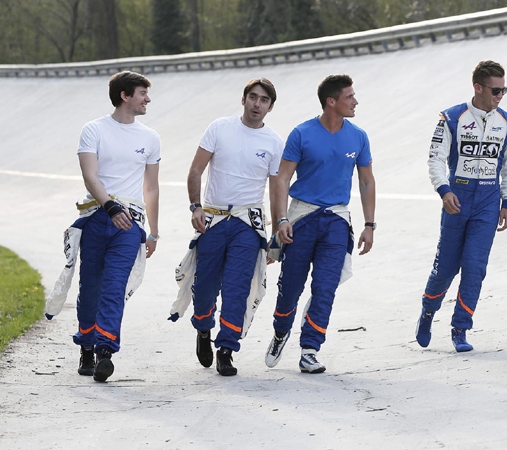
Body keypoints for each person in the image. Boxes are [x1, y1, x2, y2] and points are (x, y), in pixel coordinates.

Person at [44, 71, 161, 383]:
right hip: (97, 216)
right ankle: (86, 342)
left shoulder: (150, 137)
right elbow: (90, 175)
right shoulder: (94, 129)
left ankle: (105, 350)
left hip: (130, 224)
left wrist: (153, 230)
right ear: (125, 96)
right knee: (91, 285)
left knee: (114, 285)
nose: (147, 99)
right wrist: (110, 206)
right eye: (142, 93)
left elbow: (151, 188)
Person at [168, 78, 283, 377]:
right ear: (243, 99)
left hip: (247, 225)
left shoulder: (273, 142)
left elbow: (276, 190)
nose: (257, 104)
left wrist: (275, 234)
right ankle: (204, 329)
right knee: (205, 287)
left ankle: (227, 348)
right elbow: (195, 170)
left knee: (237, 288)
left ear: (271, 106)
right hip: (214, 220)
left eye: (264, 100)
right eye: (253, 98)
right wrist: (195, 206)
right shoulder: (219, 127)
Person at [264, 74, 376, 374]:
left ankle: (310, 349)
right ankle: (280, 331)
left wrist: (369, 224)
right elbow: (283, 179)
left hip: (337, 220)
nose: (355, 101)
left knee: (325, 287)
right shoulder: (302, 134)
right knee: (290, 287)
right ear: (332, 101)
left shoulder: (358, 136)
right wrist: (281, 220)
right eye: (349, 97)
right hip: (302, 217)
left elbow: (366, 181)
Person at [414, 60, 507, 352]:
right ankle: (427, 311)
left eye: (504, 90)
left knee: (475, 267)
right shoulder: (451, 118)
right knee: (445, 269)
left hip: (488, 201)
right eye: (496, 90)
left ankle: (460, 328)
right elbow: (435, 158)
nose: (500, 96)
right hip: (457, 199)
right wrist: (443, 190)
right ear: (478, 87)